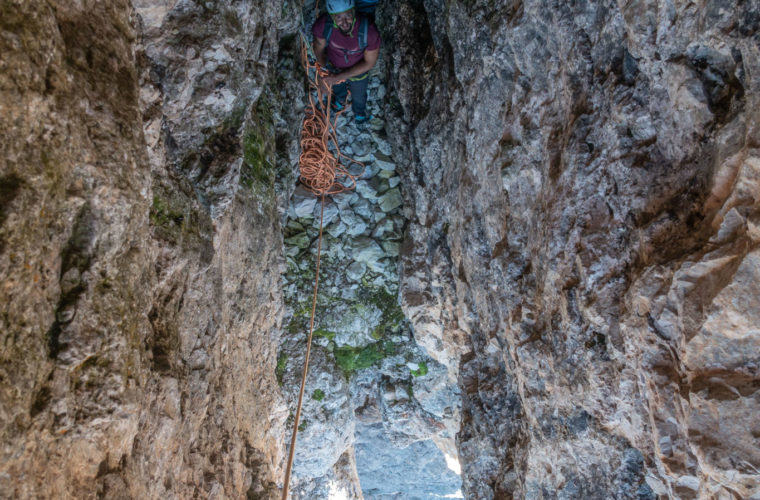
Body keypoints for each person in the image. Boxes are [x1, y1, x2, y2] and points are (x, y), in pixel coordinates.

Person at [312, 0, 381, 124]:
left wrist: (338, 77)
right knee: (338, 87)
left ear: (354, 12)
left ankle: (359, 112)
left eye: (348, 16)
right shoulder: (323, 26)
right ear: (332, 17)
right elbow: (319, 49)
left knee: (359, 95)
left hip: (358, 71)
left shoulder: (368, 32)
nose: (344, 23)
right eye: (339, 17)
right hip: (334, 66)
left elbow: (369, 63)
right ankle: (340, 101)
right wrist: (323, 73)